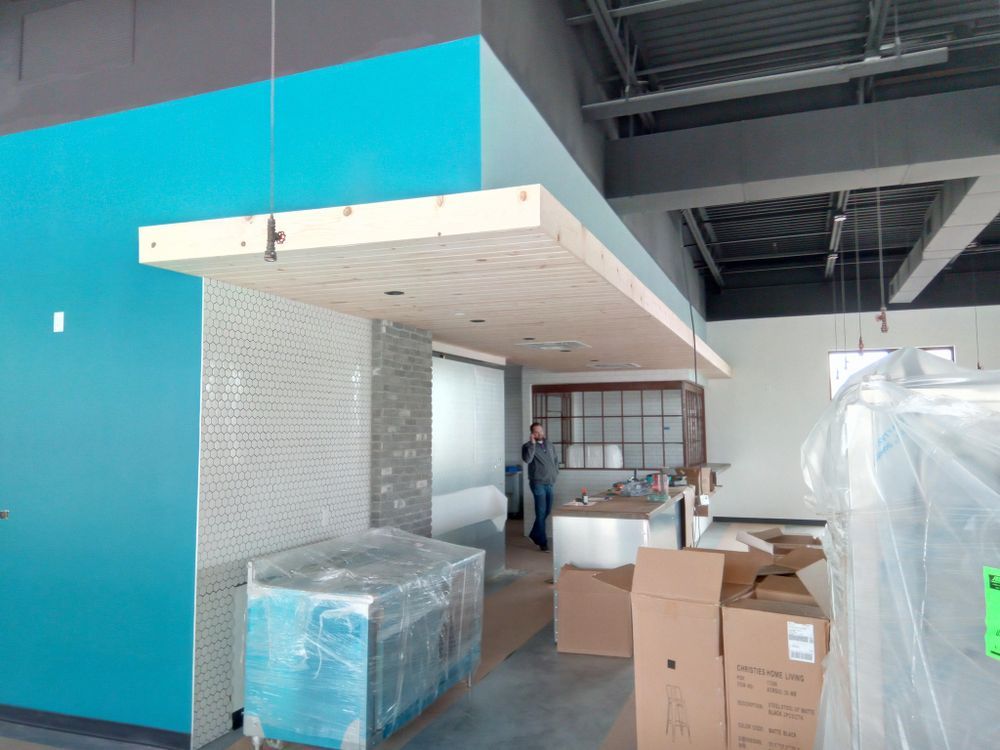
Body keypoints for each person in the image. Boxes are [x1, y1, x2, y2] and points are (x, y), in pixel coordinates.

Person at [522, 422, 559, 551]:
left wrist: (555, 473)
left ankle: (534, 534)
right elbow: (527, 459)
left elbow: (555, 460)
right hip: (538, 483)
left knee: (547, 510)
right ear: (532, 433)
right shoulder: (527, 446)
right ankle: (543, 542)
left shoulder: (549, 444)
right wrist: (532, 444)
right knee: (541, 511)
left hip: (550, 482)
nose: (540, 434)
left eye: (541, 431)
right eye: (537, 432)